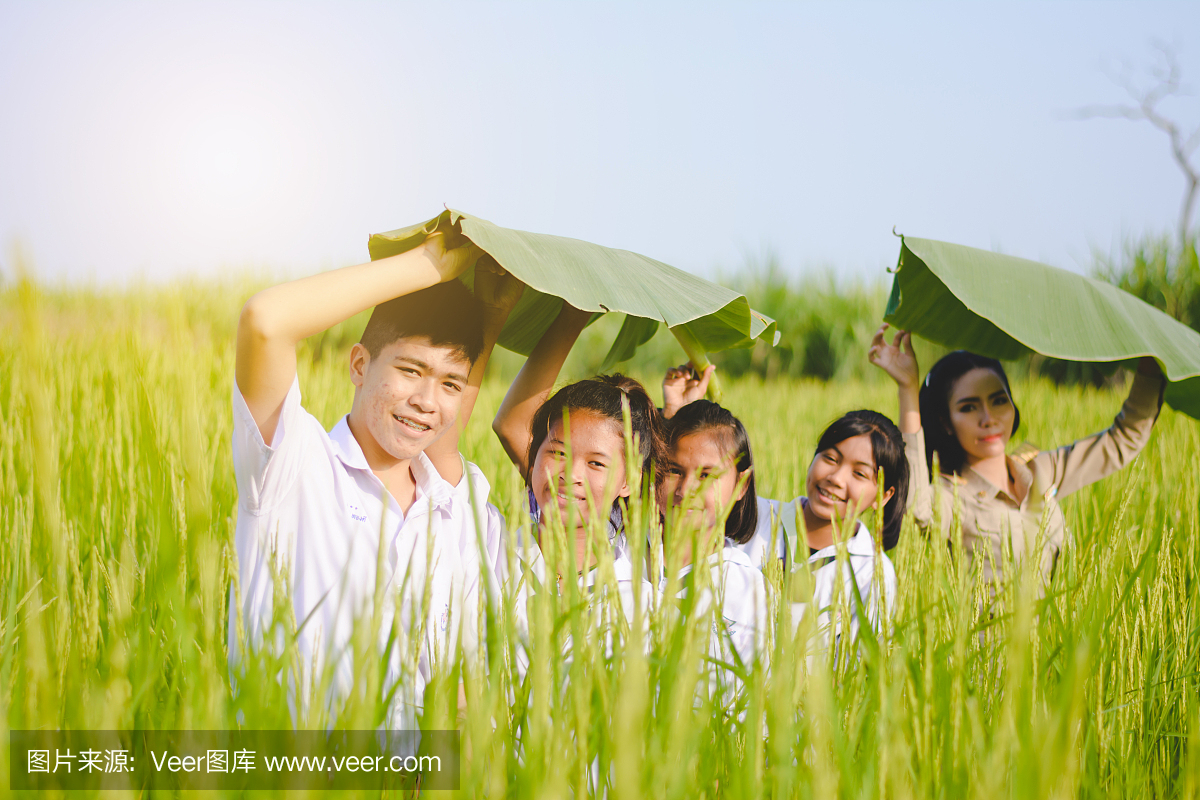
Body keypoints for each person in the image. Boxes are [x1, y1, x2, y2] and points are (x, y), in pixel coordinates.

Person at [228, 222, 522, 727]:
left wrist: (489, 317)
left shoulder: (457, 505)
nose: (427, 402)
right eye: (410, 371)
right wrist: (431, 266)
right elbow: (265, 321)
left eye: (450, 383)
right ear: (360, 365)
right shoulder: (293, 467)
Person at [869, 323, 1165, 587]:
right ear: (946, 422)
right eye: (969, 407)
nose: (989, 418)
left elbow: (1120, 442)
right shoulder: (951, 496)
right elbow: (917, 506)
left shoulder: (1040, 470)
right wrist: (907, 389)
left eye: (999, 401)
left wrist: (1151, 364)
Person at [661, 365, 907, 642]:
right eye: (830, 459)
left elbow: (864, 665)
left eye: (859, 473)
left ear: (884, 495)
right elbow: (680, 508)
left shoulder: (872, 572)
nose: (836, 478)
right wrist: (676, 414)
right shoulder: (755, 517)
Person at [492, 302, 662, 619]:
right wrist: (574, 312)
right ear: (535, 454)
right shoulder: (490, 556)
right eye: (558, 453)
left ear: (630, 481)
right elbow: (512, 426)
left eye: (596, 463)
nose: (570, 475)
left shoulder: (641, 597)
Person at [658, 398, 768, 673]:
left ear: (741, 484)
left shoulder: (743, 586)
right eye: (674, 471)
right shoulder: (619, 550)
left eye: (707, 475)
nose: (686, 490)